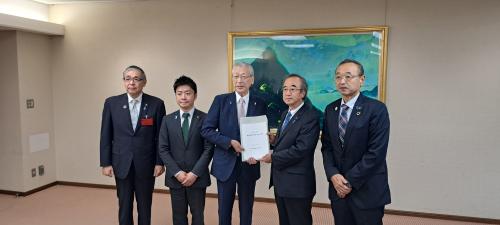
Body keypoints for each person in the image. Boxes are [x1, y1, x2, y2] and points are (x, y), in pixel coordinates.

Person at [321, 59, 391, 225]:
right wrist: (333, 175)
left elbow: (376, 153)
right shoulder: (331, 109)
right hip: (338, 190)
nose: (342, 81)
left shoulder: (376, 109)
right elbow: (327, 148)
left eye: (348, 76)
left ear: (362, 79)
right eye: (338, 77)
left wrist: (347, 182)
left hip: (367, 189)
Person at [201, 62, 267, 225]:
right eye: (235, 76)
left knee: (247, 208)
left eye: (243, 76)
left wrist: (259, 153)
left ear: (252, 79)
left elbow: (262, 133)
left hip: (249, 165)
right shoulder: (221, 100)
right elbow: (206, 130)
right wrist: (229, 142)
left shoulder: (260, 103)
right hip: (225, 163)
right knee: (224, 208)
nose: (239, 80)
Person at [100, 65, 166, 225]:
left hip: (147, 163)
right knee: (124, 204)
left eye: (136, 79)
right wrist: (105, 162)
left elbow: (160, 136)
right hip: (121, 162)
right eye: (128, 78)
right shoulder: (112, 103)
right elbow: (105, 135)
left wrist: (159, 162)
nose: (132, 82)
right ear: (123, 81)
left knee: (145, 205)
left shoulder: (156, 104)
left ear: (144, 82)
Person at [261, 74, 320, 225]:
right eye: (285, 89)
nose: (287, 93)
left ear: (302, 93)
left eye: (293, 89)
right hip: (281, 182)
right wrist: (274, 141)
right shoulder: (286, 113)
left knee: (299, 221)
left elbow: (301, 149)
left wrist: (273, 157)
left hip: (297, 184)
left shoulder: (310, 116)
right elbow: (286, 143)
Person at [158, 75, 213, 225]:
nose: (183, 97)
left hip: (198, 177)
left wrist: (194, 173)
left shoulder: (206, 118)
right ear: (175, 95)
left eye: (188, 93)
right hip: (175, 178)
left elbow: (208, 149)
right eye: (179, 93)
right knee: (178, 216)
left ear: (195, 95)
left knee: (198, 216)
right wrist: (177, 172)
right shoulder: (167, 120)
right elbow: (163, 148)